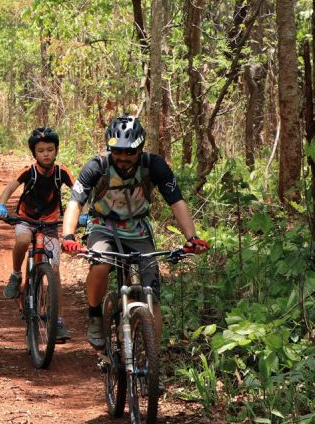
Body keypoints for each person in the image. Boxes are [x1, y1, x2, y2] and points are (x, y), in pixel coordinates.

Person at [60, 114, 209, 350]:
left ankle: (153, 362)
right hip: (103, 227)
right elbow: (75, 202)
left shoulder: (155, 166)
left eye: (129, 152)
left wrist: (191, 238)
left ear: (140, 148)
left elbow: (176, 201)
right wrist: (68, 237)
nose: (123, 157)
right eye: (117, 151)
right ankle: (95, 314)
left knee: (151, 291)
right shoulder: (97, 166)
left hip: (138, 230)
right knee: (101, 263)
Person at [0, 127, 75, 342]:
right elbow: (10, 188)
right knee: (22, 240)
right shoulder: (28, 171)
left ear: (56, 151)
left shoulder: (62, 171)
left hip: (50, 223)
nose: (46, 154)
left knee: (55, 272)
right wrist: (2, 205)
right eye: (41, 150)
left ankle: (57, 320)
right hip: (26, 219)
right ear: (35, 153)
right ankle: (15, 275)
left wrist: (84, 215)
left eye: (50, 149)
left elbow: (79, 193)